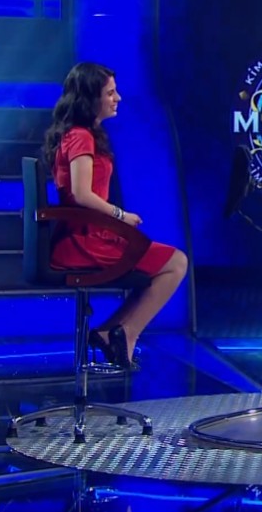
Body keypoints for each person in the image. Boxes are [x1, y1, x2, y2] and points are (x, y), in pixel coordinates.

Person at [42, 62, 188, 370]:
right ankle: (126, 333)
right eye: (110, 93)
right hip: (83, 241)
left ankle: (111, 332)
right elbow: (81, 194)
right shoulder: (80, 136)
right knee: (175, 263)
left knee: (164, 264)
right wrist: (121, 216)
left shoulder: (81, 134)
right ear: (90, 98)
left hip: (90, 235)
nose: (117, 98)